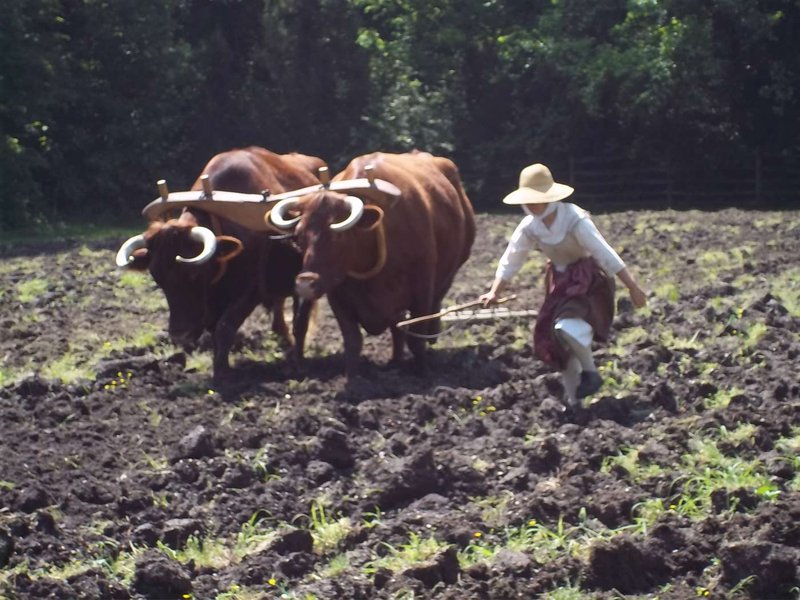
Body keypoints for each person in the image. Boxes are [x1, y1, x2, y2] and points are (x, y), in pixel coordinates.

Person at [480, 163, 647, 407]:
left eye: (538, 199)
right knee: (559, 341)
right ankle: (574, 403)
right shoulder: (530, 226)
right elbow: (511, 259)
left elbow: (603, 252)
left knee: (566, 327)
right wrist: (495, 292)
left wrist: (632, 286)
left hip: (587, 280)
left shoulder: (574, 219)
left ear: (550, 197)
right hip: (559, 282)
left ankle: (591, 373)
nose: (533, 205)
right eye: (529, 200)